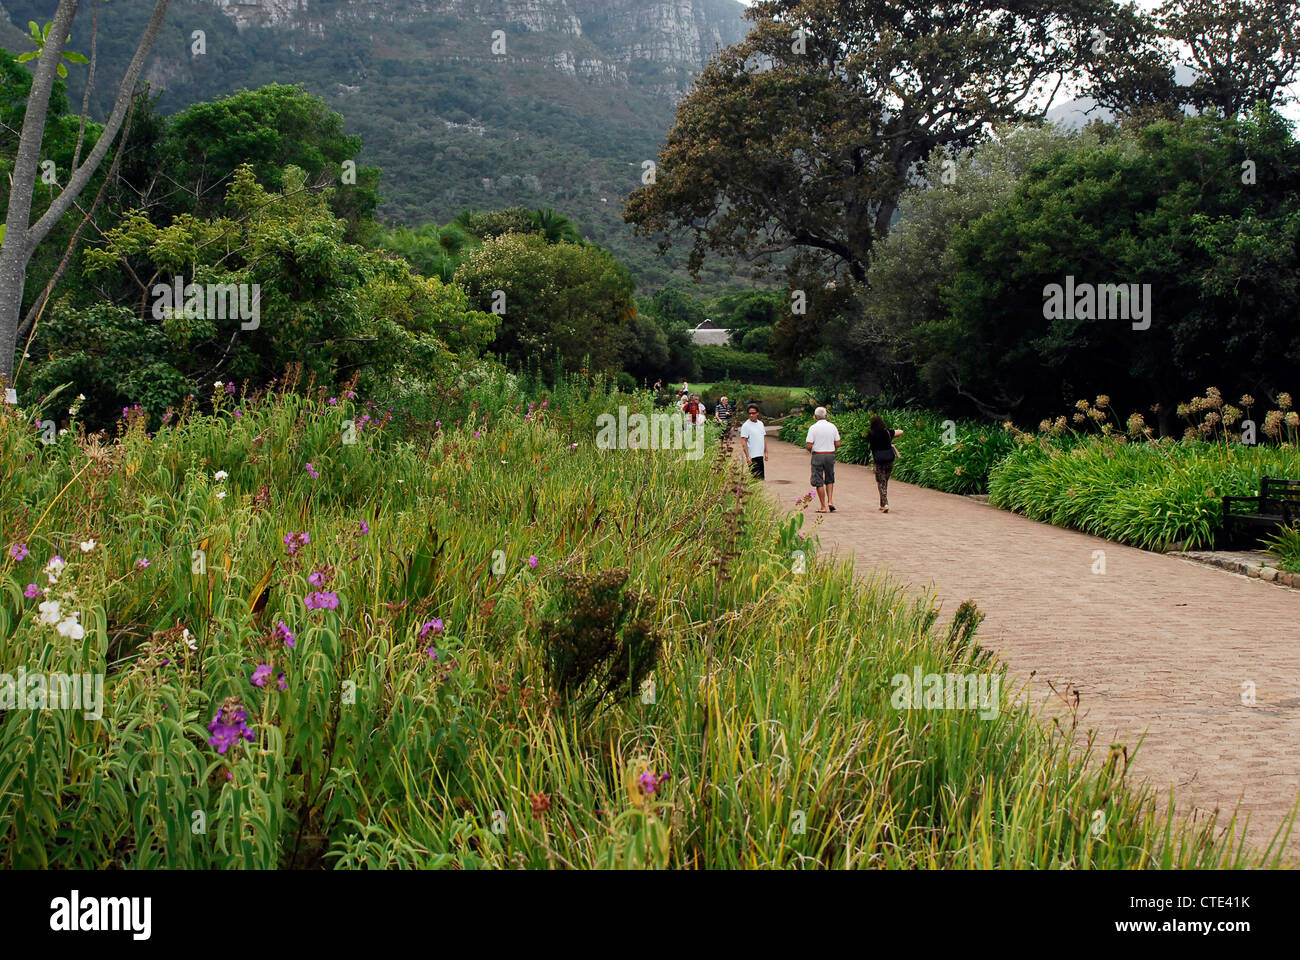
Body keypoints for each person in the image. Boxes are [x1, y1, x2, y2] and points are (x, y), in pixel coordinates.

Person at [805, 406, 841, 513]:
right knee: (830, 478)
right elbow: (838, 443)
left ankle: (823, 506)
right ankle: (830, 501)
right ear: (826, 416)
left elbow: (809, 445)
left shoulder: (813, 428)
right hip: (830, 454)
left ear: (815, 417)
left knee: (818, 480)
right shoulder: (832, 426)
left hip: (818, 455)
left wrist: (810, 450)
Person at [867, 414, 904, 513]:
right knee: (884, 481)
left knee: (881, 482)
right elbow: (901, 431)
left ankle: (885, 503)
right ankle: (882, 504)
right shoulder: (888, 432)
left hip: (879, 460)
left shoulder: (871, 434)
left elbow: (870, 443)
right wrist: (891, 438)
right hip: (889, 459)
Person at [738, 404, 767, 478]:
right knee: (754, 478)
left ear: (757, 413)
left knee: (761, 478)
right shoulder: (746, 425)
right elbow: (743, 442)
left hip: (760, 455)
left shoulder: (760, 424)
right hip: (752, 456)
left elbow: (763, 438)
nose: (751, 415)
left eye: (753, 413)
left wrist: (766, 452)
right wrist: (747, 456)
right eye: (749, 413)